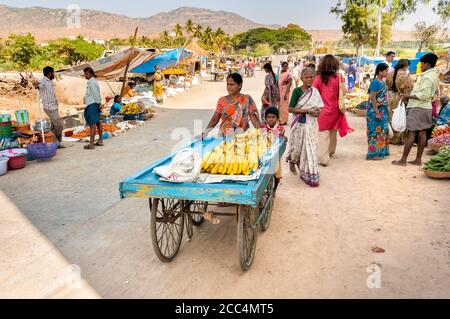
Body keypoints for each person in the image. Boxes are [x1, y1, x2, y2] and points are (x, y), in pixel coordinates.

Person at [393, 53, 440, 166]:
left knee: (411, 133)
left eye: (422, 64)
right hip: (425, 107)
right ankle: (418, 160)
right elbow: (432, 94)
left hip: (419, 107)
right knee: (422, 132)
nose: (420, 66)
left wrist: (408, 96)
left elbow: (424, 94)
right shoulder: (433, 75)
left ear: (427, 64)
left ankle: (403, 160)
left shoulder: (428, 77)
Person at [286, 68, 324, 187]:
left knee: (310, 148)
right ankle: (293, 160)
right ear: (301, 78)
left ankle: (309, 173)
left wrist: (316, 112)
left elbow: (319, 107)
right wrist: (307, 111)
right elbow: (290, 109)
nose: (309, 79)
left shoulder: (315, 91)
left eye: (311, 77)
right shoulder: (297, 91)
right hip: (299, 123)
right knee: (297, 146)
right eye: (306, 77)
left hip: (311, 124)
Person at [313, 54, 348, 166]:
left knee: (323, 134)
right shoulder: (339, 77)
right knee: (333, 131)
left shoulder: (318, 78)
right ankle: (331, 151)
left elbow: (313, 93)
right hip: (336, 109)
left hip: (323, 110)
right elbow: (344, 91)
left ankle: (323, 158)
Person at [201, 73, 261, 138]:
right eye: (227, 84)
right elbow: (215, 119)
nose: (229, 87)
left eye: (232, 84)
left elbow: (254, 117)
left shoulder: (247, 99)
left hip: (242, 136)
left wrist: (260, 133)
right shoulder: (222, 100)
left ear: (240, 85)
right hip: (224, 136)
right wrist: (205, 132)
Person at [33, 66, 65, 148]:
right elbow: (37, 84)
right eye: (53, 72)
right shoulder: (43, 81)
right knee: (59, 124)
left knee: (55, 125)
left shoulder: (50, 81)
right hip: (49, 107)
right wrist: (35, 84)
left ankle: (54, 142)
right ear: (49, 73)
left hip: (54, 106)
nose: (54, 74)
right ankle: (57, 141)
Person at [385, 59, 414, 145]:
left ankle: (390, 137)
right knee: (399, 117)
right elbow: (409, 88)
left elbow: (387, 85)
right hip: (399, 98)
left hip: (389, 97)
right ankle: (398, 138)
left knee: (390, 117)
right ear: (405, 66)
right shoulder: (406, 75)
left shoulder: (390, 73)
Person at [366, 63, 390, 160]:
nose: (387, 72)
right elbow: (373, 98)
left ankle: (381, 152)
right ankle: (374, 154)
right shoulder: (375, 82)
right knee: (375, 132)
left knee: (382, 131)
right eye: (385, 71)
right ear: (380, 72)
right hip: (376, 111)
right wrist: (377, 113)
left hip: (382, 110)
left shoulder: (381, 81)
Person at [262, 107, 285, 195]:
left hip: (276, 154)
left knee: (277, 173)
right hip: (265, 153)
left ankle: (274, 189)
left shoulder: (281, 129)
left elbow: (282, 141)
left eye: (273, 117)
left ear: (277, 118)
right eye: (269, 117)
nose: (271, 119)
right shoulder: (263, 128)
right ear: (266, 118)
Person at [83, 67, 103, 150]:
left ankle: (91, 144)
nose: (85, 75)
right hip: (94, 104)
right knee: (98, 122)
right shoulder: (92, 82)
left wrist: (98, 104)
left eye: (87, 74)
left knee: (92, 125)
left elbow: (96, 95)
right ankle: (100, 140)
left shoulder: (92, 83)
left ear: (91, 74)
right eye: (85, 74)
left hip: (92, 105)